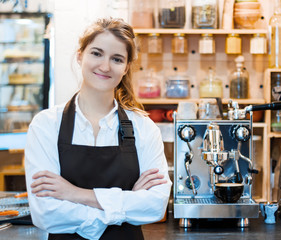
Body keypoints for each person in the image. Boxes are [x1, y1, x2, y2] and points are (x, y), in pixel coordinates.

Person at [24, 18, 172, 240]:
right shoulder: (46, 125)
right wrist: (127, 203)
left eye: (117, 58)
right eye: (96, 53)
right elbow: (46, 213)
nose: (105, 66)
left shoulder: (143, 127)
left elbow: (155, 207)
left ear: (126, 67)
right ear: (80, 55)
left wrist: (76, 194)